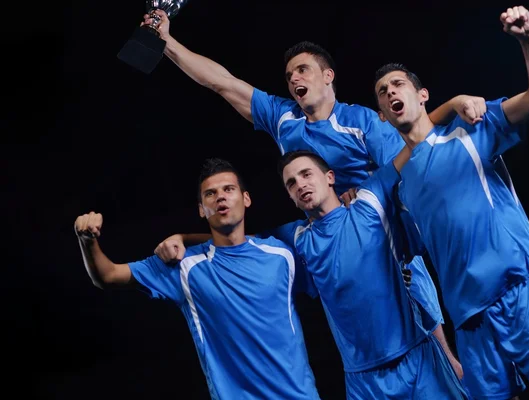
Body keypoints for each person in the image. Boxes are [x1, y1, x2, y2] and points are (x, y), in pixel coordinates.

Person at [142, 9, 488, 374]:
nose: (293, 79)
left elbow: (406, 169)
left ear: (328, 76)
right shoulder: (283, 118)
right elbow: (222, 82)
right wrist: (167, 42)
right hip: (331, 244)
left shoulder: (361, 122)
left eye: (302, 70)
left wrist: (368, 200)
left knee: (442, 360)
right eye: (289, 75)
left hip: (381, 240)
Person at [374, 6, 529, 400]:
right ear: (382, 115)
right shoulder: (400, 189)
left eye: (397, 84)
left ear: (421, 95)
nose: (390, 93)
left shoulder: (470, 128)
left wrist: (528, 39)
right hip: (469, 317)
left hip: (517, 286)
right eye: (382, 93)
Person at [74, 158, 321, 400]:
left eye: (229, 189)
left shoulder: (282, 254)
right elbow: (107, 275)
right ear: (202, 209)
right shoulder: (184, 266)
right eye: (210, 194)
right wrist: (87, 241)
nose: (221, 197)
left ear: (246, 199)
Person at [271, 148, 468, 398]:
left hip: (417, 360)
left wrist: (453, 106)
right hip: (364, 382)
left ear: (330, 177)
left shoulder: (370, 200)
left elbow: (412, 145)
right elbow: (235, 242)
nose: (300, 184)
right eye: (291, 183)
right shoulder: (296, 239)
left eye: (306, 174)